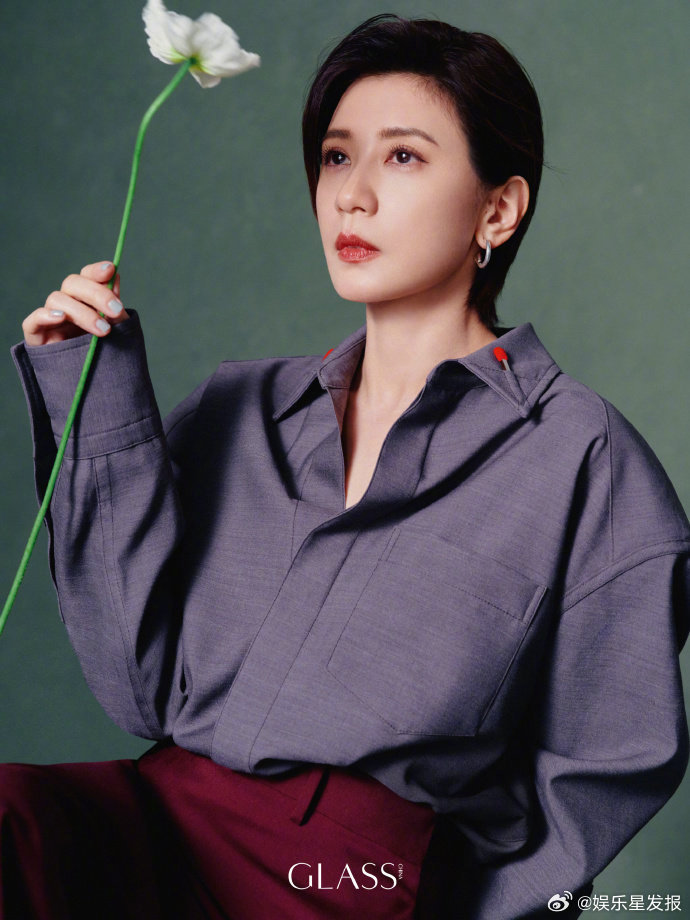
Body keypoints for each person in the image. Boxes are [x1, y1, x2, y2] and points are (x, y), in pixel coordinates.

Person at [4, 12, 690, 920]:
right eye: (336, 156)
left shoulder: (585, 461)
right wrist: (93, 390)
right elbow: (135, 687)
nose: (351, 197)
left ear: (498, 209)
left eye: (402, 156)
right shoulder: (240, 406)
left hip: (349, 885)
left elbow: (607, 767)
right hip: (156, 827)